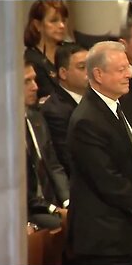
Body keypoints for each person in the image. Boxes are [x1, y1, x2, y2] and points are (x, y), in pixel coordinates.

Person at [66, 41, 132, 265]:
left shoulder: (124, 103)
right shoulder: (86, 121)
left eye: (127, 67)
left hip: (130, 231)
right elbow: (107, 180)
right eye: (121, 70)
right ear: (98, 74)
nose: (129, 75)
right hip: (104, 241)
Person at [24, 58, 69, 230]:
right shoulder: (5, 132)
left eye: (34, 79)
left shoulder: (36, 117)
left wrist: (67, 201)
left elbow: (54, 165)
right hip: (27, 209)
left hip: (52, 201)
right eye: (26, 81)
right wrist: (53, 209)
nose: (35, 87)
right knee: (68, 226)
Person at [42, 43, 88, 177]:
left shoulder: (96, 98)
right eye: (82, 67)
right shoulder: (55, 111)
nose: (89, 71)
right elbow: (68, 159)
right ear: (63, 73)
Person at [24, 0, 69, 100]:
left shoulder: (72, 52)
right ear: (38, 25)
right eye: (54, 21)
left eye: (64, 20)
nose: (62, 25)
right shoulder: (31, 59)